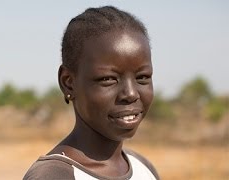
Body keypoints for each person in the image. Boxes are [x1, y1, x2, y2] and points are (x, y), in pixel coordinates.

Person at [24, 5, 159, 180]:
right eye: (108, 79)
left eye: (142, 77)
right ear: (69, 83)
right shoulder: (54, 176)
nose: (131, 93)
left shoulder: (144, 168)